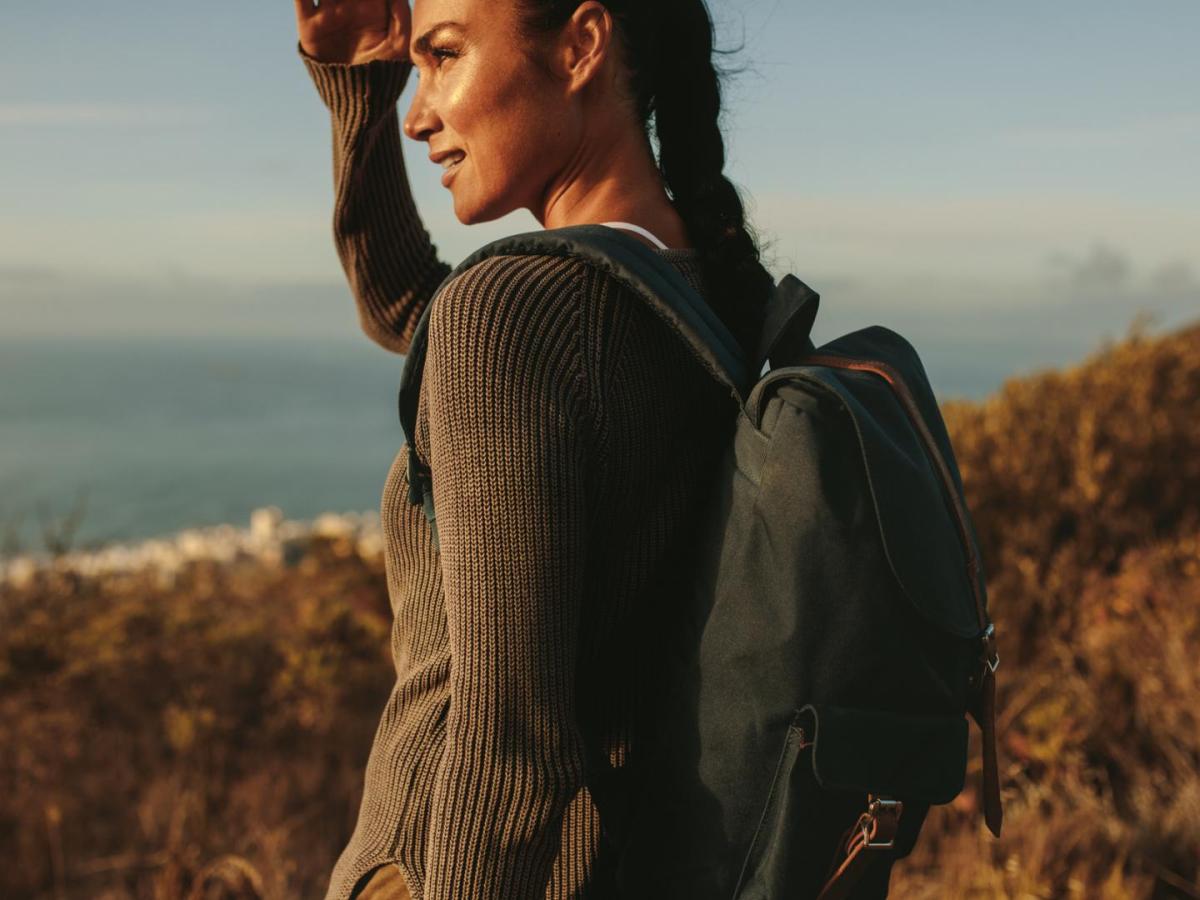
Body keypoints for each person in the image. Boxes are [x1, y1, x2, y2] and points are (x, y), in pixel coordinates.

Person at [293, 1, 775, 897]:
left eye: (443, 56)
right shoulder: (697, 288)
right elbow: (411, 312)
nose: (418, 112)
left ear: (582, 44)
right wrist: (362, 87)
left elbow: (511, 743)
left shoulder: (516, 315)